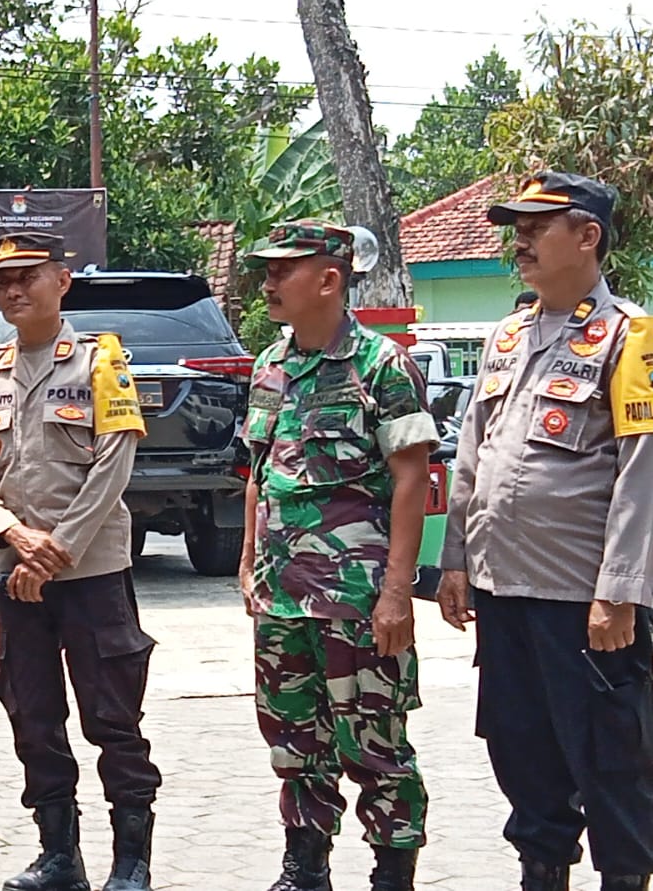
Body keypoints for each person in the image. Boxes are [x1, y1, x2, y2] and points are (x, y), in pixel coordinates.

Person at [437, 172, 653, 891]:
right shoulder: (505, 334)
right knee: (522, 752)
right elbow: (472, 453)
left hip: (583, 603)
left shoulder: (630, 337)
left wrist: (618, 591)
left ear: (586, 236)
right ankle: (541, 873)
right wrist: (455, 560)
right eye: (515, 226)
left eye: (537, 226)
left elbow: (641, 473)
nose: (519, 239)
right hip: (503, 591)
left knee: (610, 759)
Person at [0, 231, 160, 891]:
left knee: (112, 715)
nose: (14, 290)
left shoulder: (99, 360)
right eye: (3, 281)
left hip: (90, 571)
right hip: (13, 574)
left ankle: (130, 861)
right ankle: (58, 856)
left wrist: (56, 547)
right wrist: (14, 533)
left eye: (28, 276)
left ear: (61, 281)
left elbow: (112, 463)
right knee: (32, 713)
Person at [239, 221, 436, 891]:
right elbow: (258, 473)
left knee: (373, 740)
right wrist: (246, 562)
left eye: (282, 269)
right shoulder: (269, 365)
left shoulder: (382, 366)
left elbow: (412, 477)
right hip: (281, 592)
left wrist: (395, 592)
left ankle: (391, 870)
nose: (267, 280)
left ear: (328, 278)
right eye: (265, 268)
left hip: (355, 596)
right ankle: (305, 865)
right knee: (293, 738)